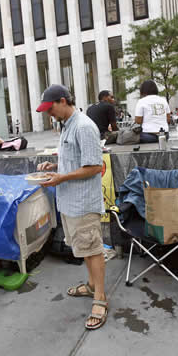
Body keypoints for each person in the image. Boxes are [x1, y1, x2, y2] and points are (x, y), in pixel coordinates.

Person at [35, 84, 107, 330]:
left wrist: (61, 178)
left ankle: (100, 298)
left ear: (63, 101)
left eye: (50, 108)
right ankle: (90, 285)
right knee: (84, 247)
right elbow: (75, 162)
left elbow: (95, 167)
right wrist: (53, 167)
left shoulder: (84, 126)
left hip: (83, 203)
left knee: (93, 248)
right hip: (69, 202)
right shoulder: (66, 126)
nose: (49, 114)